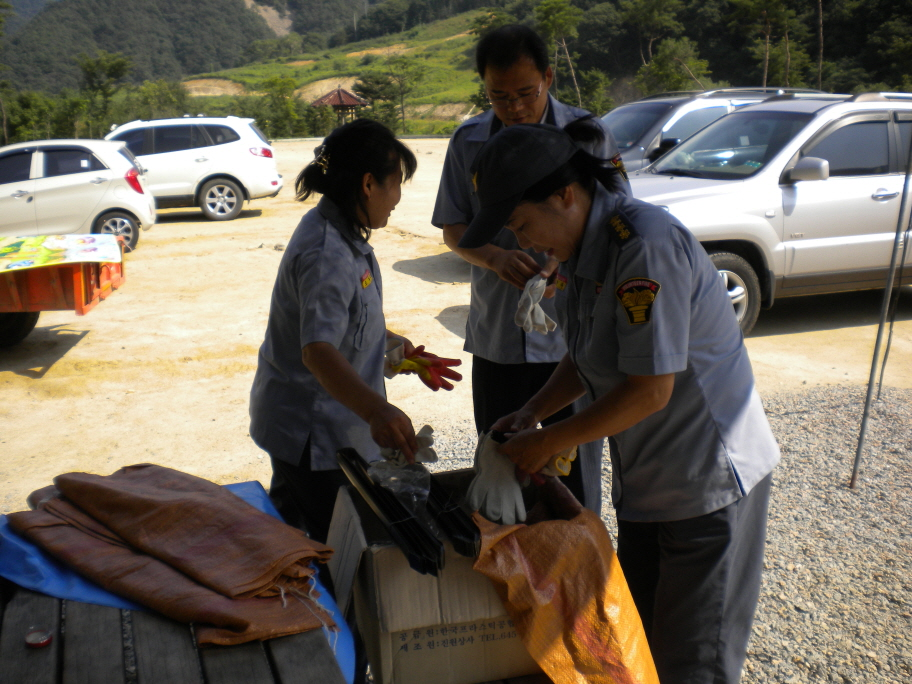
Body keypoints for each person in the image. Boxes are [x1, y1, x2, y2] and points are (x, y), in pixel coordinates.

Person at [460, 120, 780, 684]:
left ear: (565, 195)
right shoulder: (582, 249)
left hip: (706, 481)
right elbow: (589, 355)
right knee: (641, 646)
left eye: (523, 225)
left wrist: (547, 442)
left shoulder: (643, 247)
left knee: (694, 662)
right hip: (650, 483)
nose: (525, 243)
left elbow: (650, 388)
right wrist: (534, 412)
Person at [432, 24, 629, 513]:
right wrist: (494, 257)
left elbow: (613, 217)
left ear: (548, 78)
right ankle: (509, 551)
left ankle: (573, 548)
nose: (515, 107)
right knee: (501, 462)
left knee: (570, 469)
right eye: (499, 96)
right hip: (498, 334)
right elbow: (453, 226)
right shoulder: (469, 141)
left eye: (526, 93)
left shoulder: (586, 135)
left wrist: (562, 258)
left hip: (569, 333)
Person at [249, 119, 420, 545]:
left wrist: (390, 343)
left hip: (311, 424)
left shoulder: (340, 234)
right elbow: (318, 350)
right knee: (332, 547)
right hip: (312, 432)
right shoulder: (327, 252)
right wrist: (378, 411)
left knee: (292, 535)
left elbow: (342, 320)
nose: (398, 198)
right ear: (368, 184)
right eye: (396, 183)